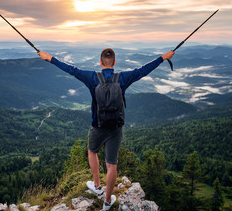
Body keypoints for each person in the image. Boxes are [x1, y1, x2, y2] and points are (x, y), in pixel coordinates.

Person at [38, 48, 174, 210]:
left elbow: (71, 70)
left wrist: (49, 58)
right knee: (111, 165)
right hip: (116, 127)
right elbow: (143, 70)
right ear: (114, 63)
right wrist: (163, 58)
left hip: (97, 125)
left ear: (100, 62)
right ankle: (107, 201)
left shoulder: (92, 77)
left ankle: (97, 185)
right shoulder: (122, 78)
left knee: (92, 151)